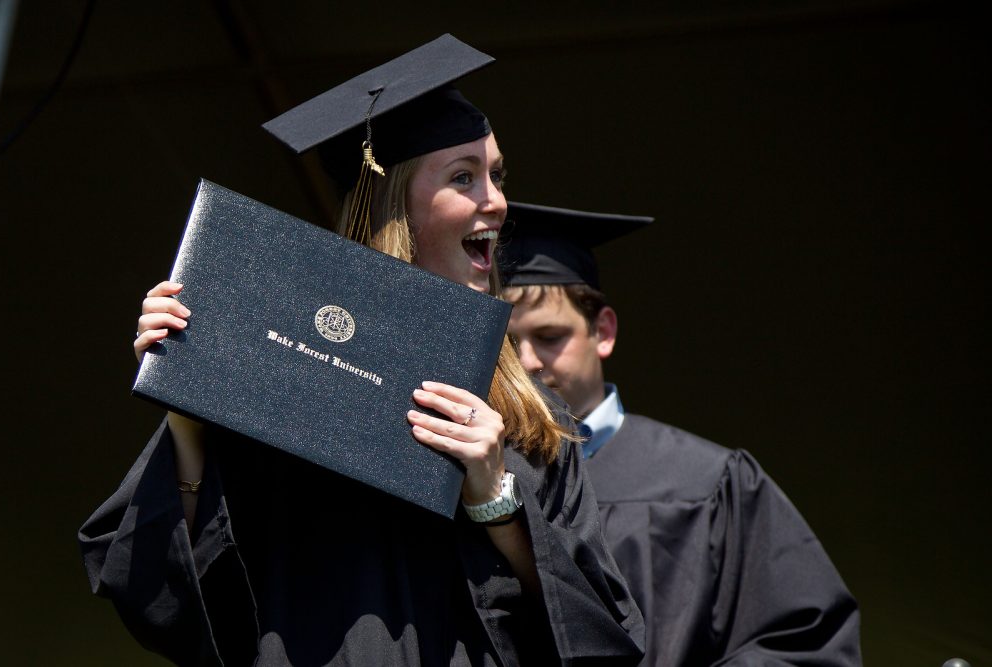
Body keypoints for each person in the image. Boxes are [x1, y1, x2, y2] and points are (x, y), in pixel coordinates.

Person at [79, 36, 644, 666]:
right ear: (395, 202)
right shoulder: (276, 379)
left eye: (496, 176)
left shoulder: (529, 420)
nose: (497, 201)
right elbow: (150, 591)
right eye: (464, 178)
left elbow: (607, 635)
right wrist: (190, 404)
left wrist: (496, 502)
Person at [499, 201, 862, 666]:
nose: (528, 362)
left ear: (603, 332)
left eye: (551, 337)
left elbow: (801, 645)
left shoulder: (709, 485)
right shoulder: (474, 478)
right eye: (508, 344)